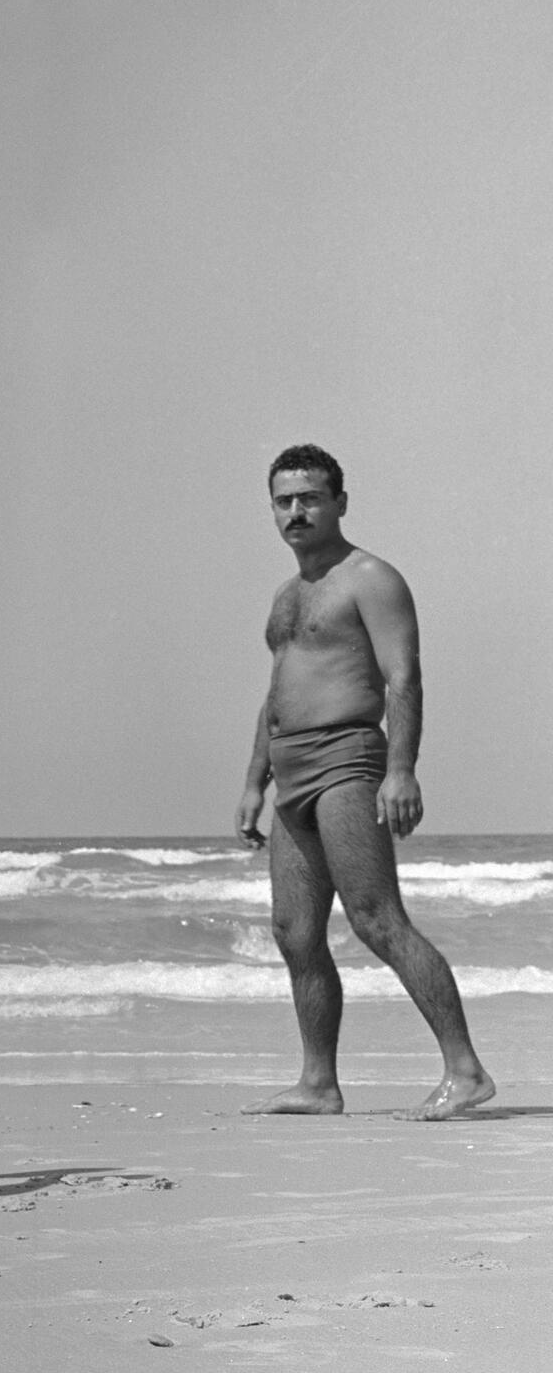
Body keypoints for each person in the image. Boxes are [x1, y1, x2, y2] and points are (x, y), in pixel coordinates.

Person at [235, 443, 493, 1122]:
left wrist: (402, 768)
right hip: (290, 775)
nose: (297, 510)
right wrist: (253, 782)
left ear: (339, 503)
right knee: (294, 931)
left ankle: (465, 1070)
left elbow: (402, 676)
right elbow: (277, 692)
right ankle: (318, 1084)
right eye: (285, 499)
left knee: (378, 920)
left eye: (310, 497)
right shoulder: (287, 596)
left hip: (348, 761)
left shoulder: (371, 577)